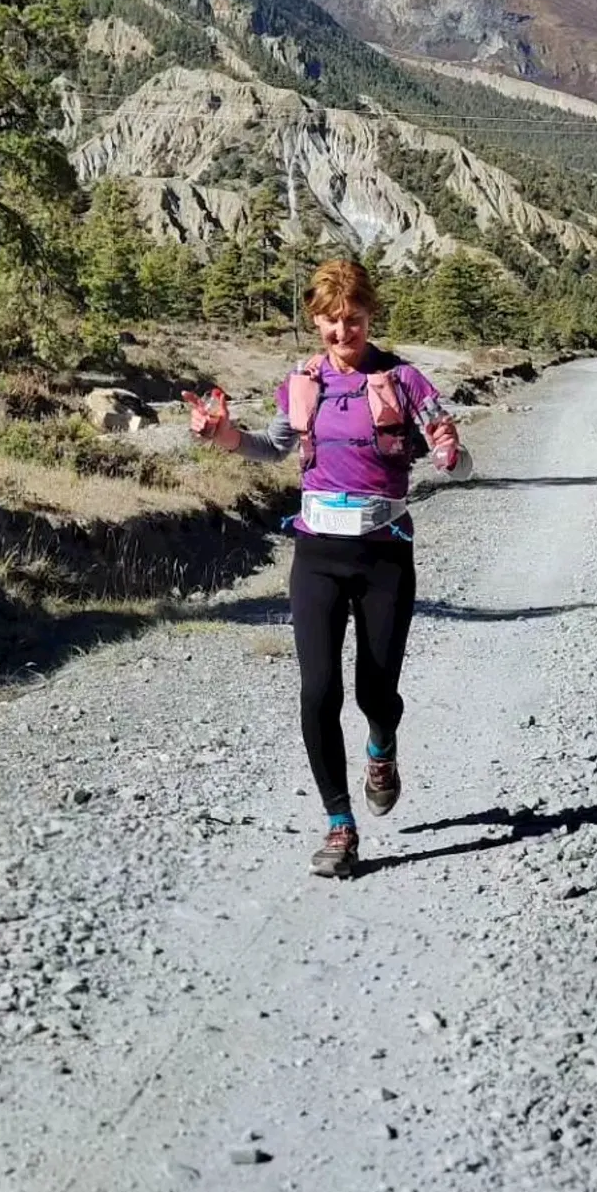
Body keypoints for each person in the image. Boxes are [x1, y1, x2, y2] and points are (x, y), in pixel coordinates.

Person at [186, 257, 465, 879]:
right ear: (315, 321)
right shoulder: (302, 382)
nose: (343, 335)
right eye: (331, 323)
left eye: (354, 321)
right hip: (316, 556)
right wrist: (222, 435)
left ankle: (382, 747)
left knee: (375, 691)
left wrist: (448, 452)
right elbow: (270, 448)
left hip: (385, 555)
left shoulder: (405, 379)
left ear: (371, 315)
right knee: (318, 691)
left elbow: (447, 441)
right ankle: (340, 825)